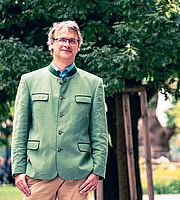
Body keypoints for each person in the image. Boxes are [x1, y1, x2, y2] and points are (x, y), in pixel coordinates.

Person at [11, 20, 108, 200]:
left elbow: (100, 134)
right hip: (38, 171)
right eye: (62, 39)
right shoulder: (29, 81)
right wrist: (18, 170)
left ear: (78, 46)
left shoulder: (94, 84)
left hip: (77, 175)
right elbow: (19, 131)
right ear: (52, 43)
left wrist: (97, 171)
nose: (66, 44)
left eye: (72, 40)